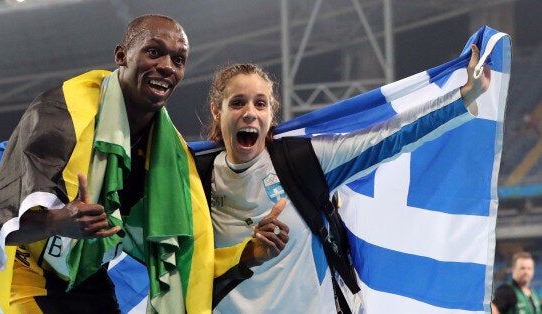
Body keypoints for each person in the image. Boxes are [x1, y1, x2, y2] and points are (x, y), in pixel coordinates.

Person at [0, 14, 287, 314]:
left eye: (178, 60)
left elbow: (188, 255)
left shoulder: (171, 155)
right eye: (154, 52)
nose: (167, 66)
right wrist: (57, 222)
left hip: (86, 275)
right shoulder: (62, 114)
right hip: (27, 269)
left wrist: (247, 256)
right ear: (122, 55)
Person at [196, 42, 490, 313]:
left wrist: (463, 98)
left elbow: (392, 136)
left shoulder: (306, 161)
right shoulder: (195, 177)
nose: (249, 113)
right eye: (237, 103)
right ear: (216, 111)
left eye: (260, 104)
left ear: (271, 114)